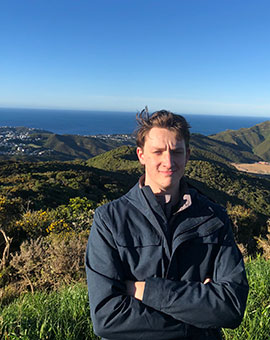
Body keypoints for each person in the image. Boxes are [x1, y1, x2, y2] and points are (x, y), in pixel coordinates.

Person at [85, 109, 249, 340]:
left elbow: (230, 308)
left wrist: (143, 290)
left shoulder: (214, 218)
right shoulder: (109, 221)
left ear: (187, 155)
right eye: (158, 152)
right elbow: (107, 318)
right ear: (141, 155)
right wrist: (198, 317)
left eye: (176, 152)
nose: (168, 161)